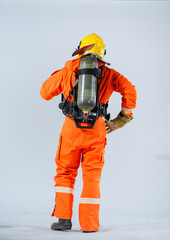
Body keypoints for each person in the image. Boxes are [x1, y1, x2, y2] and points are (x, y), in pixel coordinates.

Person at [40, 33, 137, 232]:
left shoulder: (68, 70)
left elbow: (44, 93)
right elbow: (130, 90)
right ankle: (90, 225)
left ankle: (63, 220)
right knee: (92, 176)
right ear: (102, 54)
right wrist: (121, 120)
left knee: (66, 173)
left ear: (81, 50)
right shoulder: (110, 74)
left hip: (71, 130)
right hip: (97, 130)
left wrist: (61, 76)